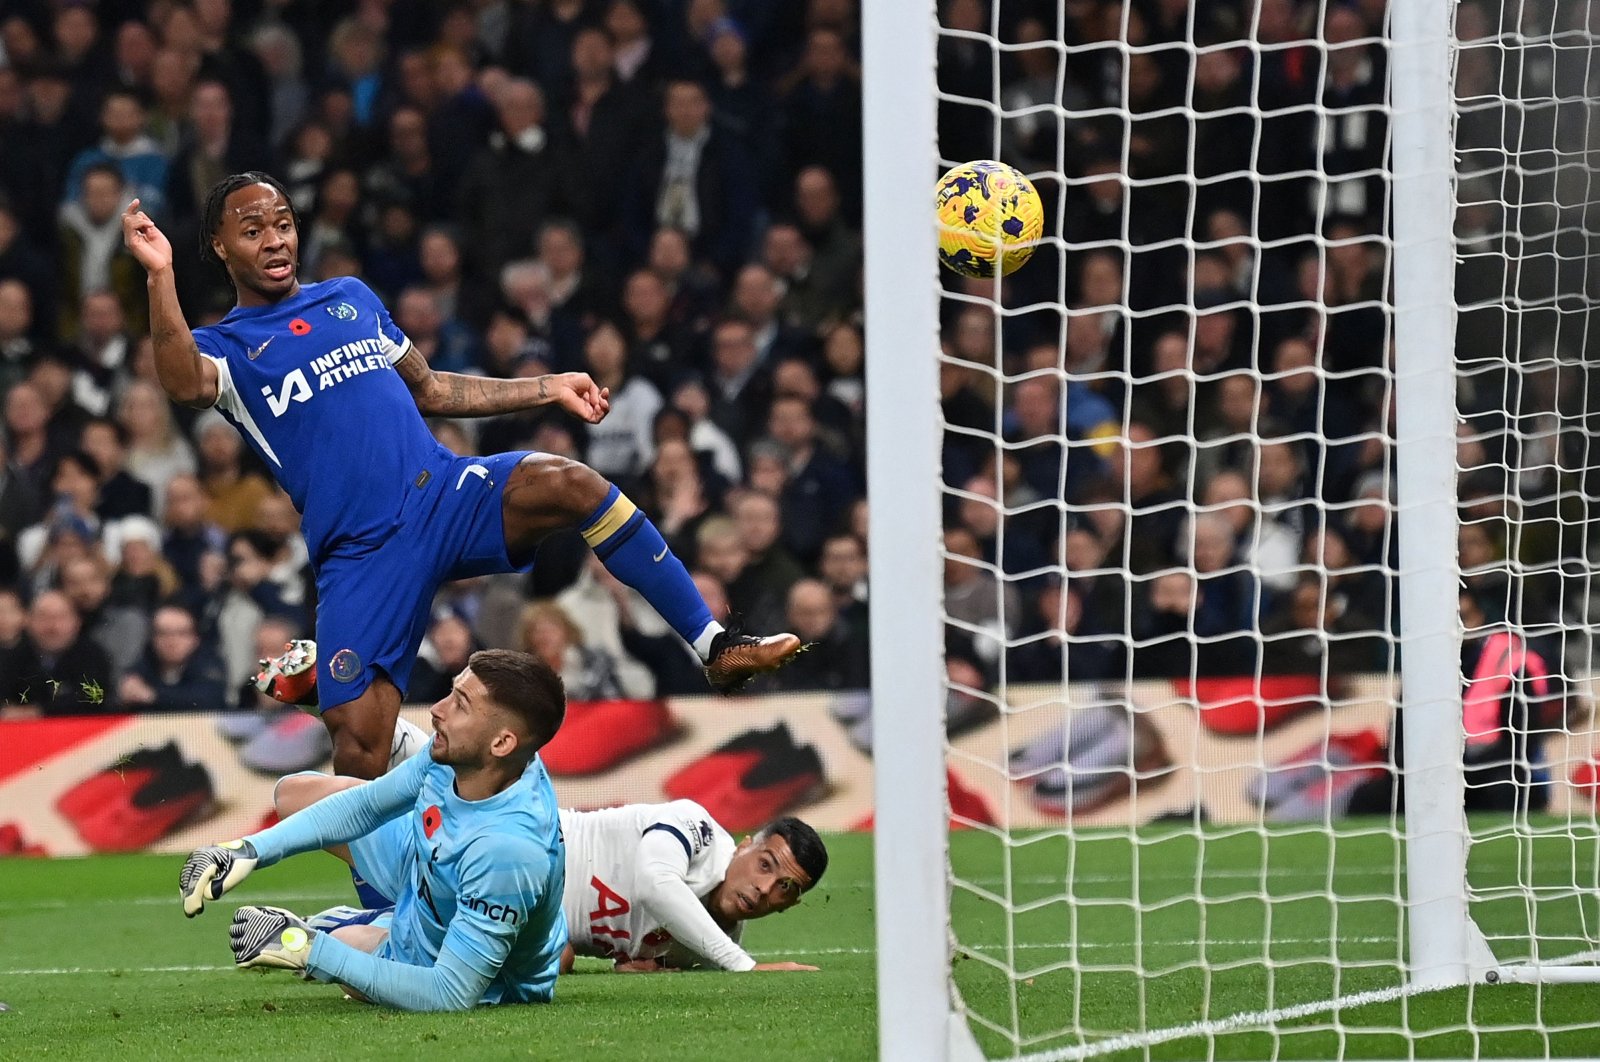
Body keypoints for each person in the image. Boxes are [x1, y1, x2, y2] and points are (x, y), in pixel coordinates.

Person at [123, 172, 801, 780]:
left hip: (445, 493)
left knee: (574, 483)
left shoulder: (350, 299)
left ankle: (715, 646)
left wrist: (548, 387)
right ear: (220, 247)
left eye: (283, 223)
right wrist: (160, 274)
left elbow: (433, 389)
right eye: (252, 230)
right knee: (359, 748)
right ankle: (380, 914)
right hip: (363, 553)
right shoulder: (229, 348)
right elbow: (182, 381)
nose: (274, 241)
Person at [177, 649, 568, 1011]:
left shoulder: (507, 850)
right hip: (428, 873)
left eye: (460, 705)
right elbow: (367, 805)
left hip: (474, 971)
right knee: (295, 795)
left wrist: (306, 949)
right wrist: (247, 850)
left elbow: (450, 992)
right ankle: (379, 919)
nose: (437, 710)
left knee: (344, 955)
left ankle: (354, 928)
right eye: (451, 693)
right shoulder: (462, 754)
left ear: (502, 742)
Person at [274, 775, 825, 974]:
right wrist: (744, 968)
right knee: (293, 797)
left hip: (528, 921)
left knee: (547, 956)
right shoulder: (697, 827)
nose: (763, 887)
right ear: (747, 844)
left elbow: (637, 956)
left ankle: (333, 929)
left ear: (790, 905)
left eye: (785, 889)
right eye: (767, 864)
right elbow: (659, 883)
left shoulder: (708, 944)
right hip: (513, 848)